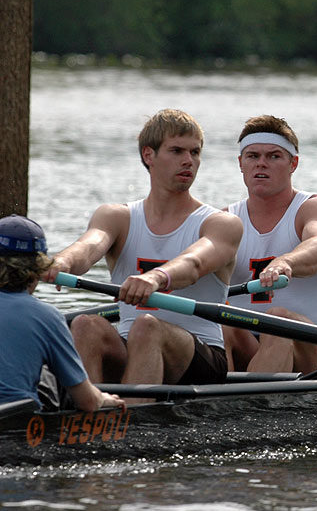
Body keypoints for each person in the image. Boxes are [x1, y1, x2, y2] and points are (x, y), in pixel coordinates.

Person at [43, 109, 242, 388]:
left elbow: (194, 263)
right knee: (86, 324)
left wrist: (155, 278)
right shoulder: (116, 217)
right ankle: (87, 414)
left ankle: (130, 419)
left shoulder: (222, 224)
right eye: (176, 151)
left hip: (202, 357)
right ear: (149, 155)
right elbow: (88, 246)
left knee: (147, 326)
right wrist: (61, 263)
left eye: (195, 152)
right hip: (133, 343)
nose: (189, 161)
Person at [224, 115, 317, 373]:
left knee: (277, 320)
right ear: (240, 163)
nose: (262, 164)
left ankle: (247, 409)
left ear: (294, 163)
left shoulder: (316, 209)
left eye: (274, 156)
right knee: (220, 322)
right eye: (253, 156)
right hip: (248, 343)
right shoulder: (224, 220)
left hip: (312, 347)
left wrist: (285, 261)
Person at [0, 215, 125, 411]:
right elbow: (87, 401)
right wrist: (104, 399)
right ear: (38, 268)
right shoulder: (46, 316)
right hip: (17, 421)